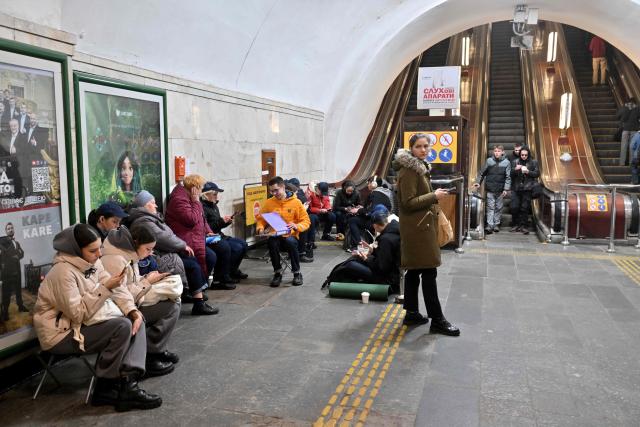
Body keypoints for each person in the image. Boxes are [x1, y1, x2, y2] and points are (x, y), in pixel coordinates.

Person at [32, 224, 162, 411]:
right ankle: (107, 386)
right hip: (60, 334)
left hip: (81, 325)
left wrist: (132, 310)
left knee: (135, 320)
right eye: (93, 250)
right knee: (122, 327)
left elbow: (117, 287)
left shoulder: (93, 262)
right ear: (76, 250)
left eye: (100, 247)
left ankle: (127, 383)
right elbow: (77, 313)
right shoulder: (62, 272)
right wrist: (105, 288)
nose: (99, 254)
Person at [392, 134, 459, 336]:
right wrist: (434, 196)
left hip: (419, 227)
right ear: (411, 148)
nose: (423, 150)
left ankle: (412, 312)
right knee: (429, 272)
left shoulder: (419, 167)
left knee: (414, 271)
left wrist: (432, 194)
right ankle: (437, 320)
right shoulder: (410, 171)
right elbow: (408, 203)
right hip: (417, 229)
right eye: (419, 146)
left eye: (426, 146)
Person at [101, 226, 180, 377]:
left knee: (173, 303)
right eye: (148, 249)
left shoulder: (129, 254)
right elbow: (119, 297)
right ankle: (144, 361)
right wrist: (146, 282)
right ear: (135, 243)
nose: (151, 253)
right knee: (159, 311)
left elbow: (128, 287)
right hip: (119, 311)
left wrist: (147, 280)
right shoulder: (114, 260)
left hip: (130, 303)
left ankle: (155, 350)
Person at [127, 190, 216, 314]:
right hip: (156, 257)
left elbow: (168, 235)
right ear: (144, 206)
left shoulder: (150, 218)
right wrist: (183, 245)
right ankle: (198, 303)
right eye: (153, 203)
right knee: (192, 265)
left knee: (195, 259)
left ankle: (194, 292)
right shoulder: (144, 222)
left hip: (163, 252)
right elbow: (163, 238)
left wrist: (182, 246)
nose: (156, 206)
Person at [165, 174, 219, 315]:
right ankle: (197, 300)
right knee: (197, 262)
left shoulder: (190, 198)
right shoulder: (179, 199)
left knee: (211, 256)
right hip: (184, 241)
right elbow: (191, 219)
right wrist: (195, 201)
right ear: (194, 188)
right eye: (200, 188)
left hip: (194, 238)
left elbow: (202, 218)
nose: (201, 191)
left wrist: (208, 231)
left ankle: (198, 289)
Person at [323, 207, 401, 293]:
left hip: (387, 280)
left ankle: (338, 279)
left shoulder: (386, 239)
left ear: (375, 225)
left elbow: (381, 267)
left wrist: (366, 259)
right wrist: (373, 250)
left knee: (351, 265)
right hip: (394, 274)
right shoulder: (394, 229)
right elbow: (388, 256)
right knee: (356, 258)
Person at [256, 176, 311, 287]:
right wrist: (260, 228)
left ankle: (297, 273)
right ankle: (277, 272)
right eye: (271, 191)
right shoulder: (269, 203)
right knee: (271, 242)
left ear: (283, 187)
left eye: (276, 190)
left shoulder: (296, 202)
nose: (274, 193)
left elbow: (306, 221)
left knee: (290, 242)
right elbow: (261, 219)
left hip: (291, 235)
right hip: (275, 235)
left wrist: (296, 226)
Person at [201, 181, 249, 288]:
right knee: (232, 247)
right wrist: (221, 221)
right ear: (206, 194)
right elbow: (207, 228)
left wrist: (226, 222)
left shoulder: (213, 206)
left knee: (243, 245)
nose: (217, 196)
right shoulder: (202, 208)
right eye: (215, 194)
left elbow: (217, 225)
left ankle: (232, 270)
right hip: (208, 237)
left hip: (218, 235)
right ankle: (221, 277)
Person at [347, 176, 393, 251]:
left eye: (368, 183)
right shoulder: (385, 192)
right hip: (384, 220)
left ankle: (358, 245)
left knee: (352, 220)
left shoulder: (376, 194)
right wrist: (361, 208)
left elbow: (369, 212)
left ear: (373, 184)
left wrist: (358, 210)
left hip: (376, 222)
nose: (368, 185)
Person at [474, 145, 511, 234]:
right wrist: (478, 182)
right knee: (490, 207)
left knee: (498, 207)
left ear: (502, 152)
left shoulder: (507, 163)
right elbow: (482, 173)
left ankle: (496, 224)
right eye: (495, 151)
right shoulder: (489, 161)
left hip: (500, 190)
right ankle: (489, 225)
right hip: (490, 188)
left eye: (498, 151)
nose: (497, 153)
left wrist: (506, 189)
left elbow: (508, 177)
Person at [510, 147, 540, 234]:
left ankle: (524, 226)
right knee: (514, 207)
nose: (524, 156)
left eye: (525, 155)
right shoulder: (515, 161)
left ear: (528, 154)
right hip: (516, 188)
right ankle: (515, 224)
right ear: (520, 154)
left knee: (525, 208)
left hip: (527, 188)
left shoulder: (533, 162)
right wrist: (516, 169)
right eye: (522, 155)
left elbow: (537, 174)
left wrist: (528, 172)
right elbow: (510, 174)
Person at [0, 222, 27, 321]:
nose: (10, 230)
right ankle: (5, 312)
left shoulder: (17, 243)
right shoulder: (2, 242)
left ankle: (20, 306)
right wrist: (15, 256)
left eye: (12, 228)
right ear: (6, 231)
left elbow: (22, 253)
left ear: (14, 230)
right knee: (6, 293)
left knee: (18, 290)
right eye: (8, 229)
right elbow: (8, 255)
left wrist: (17, 256)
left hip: (17, 271)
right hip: (7, 272)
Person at [286, 178, 314, 262]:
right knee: (303, 229)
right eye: (295, 193)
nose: (296, 194)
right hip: (286, 227)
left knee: (305, 225)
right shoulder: (290, 200)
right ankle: (300, 253)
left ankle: (305, 248)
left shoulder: (295, 199)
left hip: (293, 223)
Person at [615, 99, 640, 166]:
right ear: (635, 103)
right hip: (634, 130)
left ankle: (622, 163)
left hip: (625, 129)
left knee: (623, 146)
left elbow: (617, 116)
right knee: (632, 146)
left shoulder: (625, 108)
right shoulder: (638, 109)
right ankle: (631, 163)